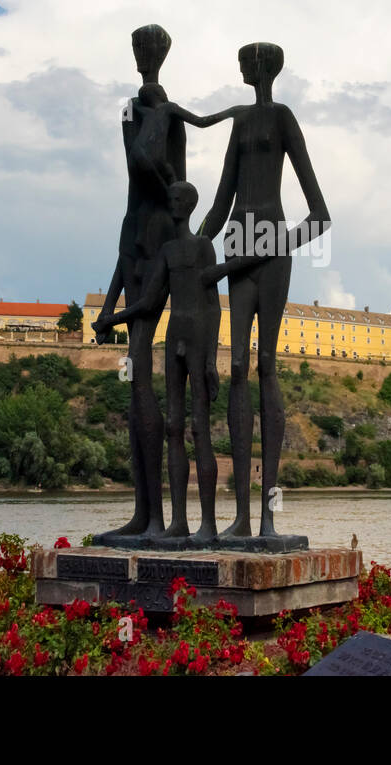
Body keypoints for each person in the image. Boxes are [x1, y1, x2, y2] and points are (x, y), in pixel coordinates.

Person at [198, 42, 331, 538]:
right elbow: (220, 200)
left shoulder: (282, 118)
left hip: (269, 247)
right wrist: (193, 247)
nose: (245, 66)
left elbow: (320, 214)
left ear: (265, 67)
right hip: (238, 239)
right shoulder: (239, 124)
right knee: (236, 367)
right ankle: (240, 518)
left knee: (268, 364)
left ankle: (269, 518)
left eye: (250, 60)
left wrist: (275, 244)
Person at [95, 181, 257, 542]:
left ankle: (209, 526)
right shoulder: (168, 251)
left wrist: (213, 358)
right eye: (169, 200)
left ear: (188, 205)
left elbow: (214, 305)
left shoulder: (203, 247)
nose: (171, 205)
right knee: (173, 427)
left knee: (199, 428)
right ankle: (179, 522)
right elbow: (151, 302)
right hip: (174, 338)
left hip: (199, 336)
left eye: (176, 200)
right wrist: (112, 318)